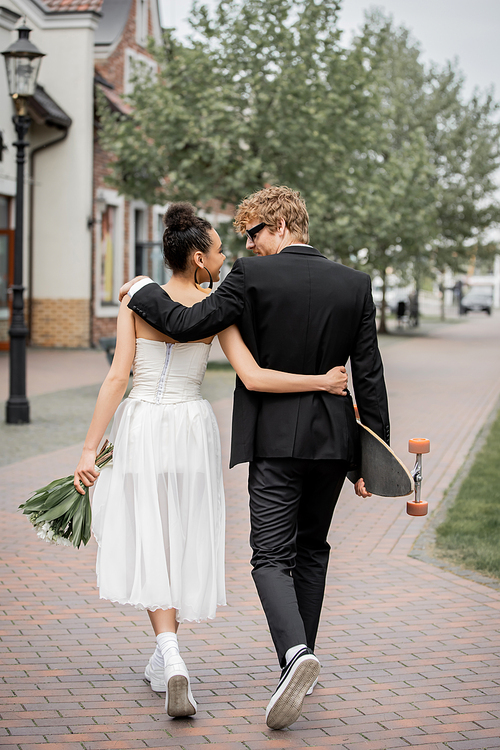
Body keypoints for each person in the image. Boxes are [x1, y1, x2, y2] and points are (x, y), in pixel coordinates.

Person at [120, 186, 390, 730]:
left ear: (283, 226)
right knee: (312, 549)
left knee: (270, 557)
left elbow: (183, 324)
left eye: (255, 233)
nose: (250, 243)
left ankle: (295, 657)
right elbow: (369, 372)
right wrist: (372, 457)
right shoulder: (354, 284)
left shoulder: (250, 276)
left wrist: (139, 292)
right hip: (335, 443)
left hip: (274, 440)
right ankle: (301, 658)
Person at [74, 202, 348, 720]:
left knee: (150, 535)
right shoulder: (218, 309)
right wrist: (323, 381)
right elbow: (257, 377)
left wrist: (90, 447)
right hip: (191, 430)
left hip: (142, 423)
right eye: (221, 250)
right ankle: (169, 658)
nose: (229, 257)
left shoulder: (137, 298)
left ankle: (171, 656)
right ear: (199, 259)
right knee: (177, 537)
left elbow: (116, 379)